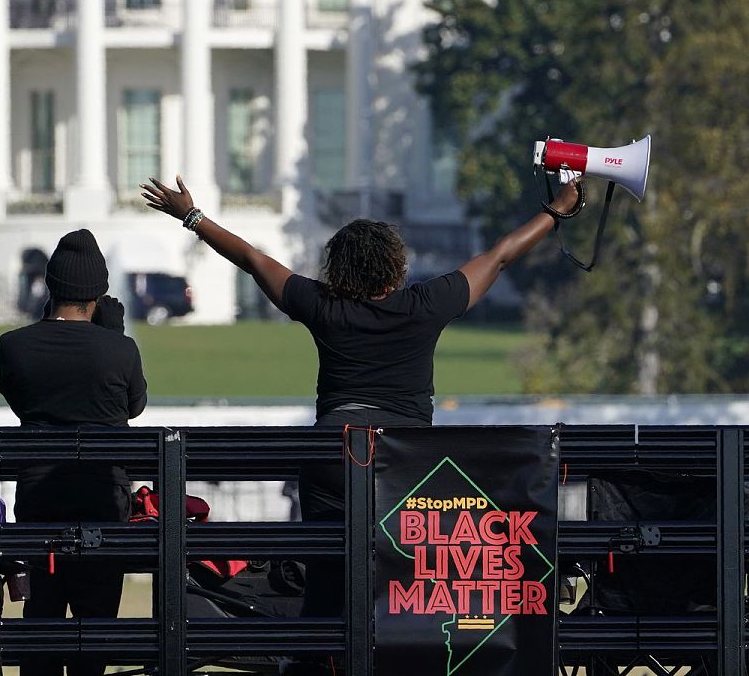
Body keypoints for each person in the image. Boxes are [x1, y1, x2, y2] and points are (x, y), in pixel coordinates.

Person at [140, 173, 582, 624]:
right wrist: (556, 211)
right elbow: (501, 256)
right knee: (406, 584)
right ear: (396, 266)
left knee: (328, 584)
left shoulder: (323, 306)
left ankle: (317, 657)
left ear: (339, 269)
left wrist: (192, 217)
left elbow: (254, 260)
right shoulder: (425, 304)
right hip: (406, 463)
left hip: (332, 456)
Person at [0, 229, 148, 676]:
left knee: (41, 616)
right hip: (104, 500)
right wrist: (112, 334)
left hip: (40, 499)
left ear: (50, 287)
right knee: (96, 621)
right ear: (98, 293)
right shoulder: (120, 349)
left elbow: (21, 401)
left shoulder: (12, 346)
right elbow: (134, 406)